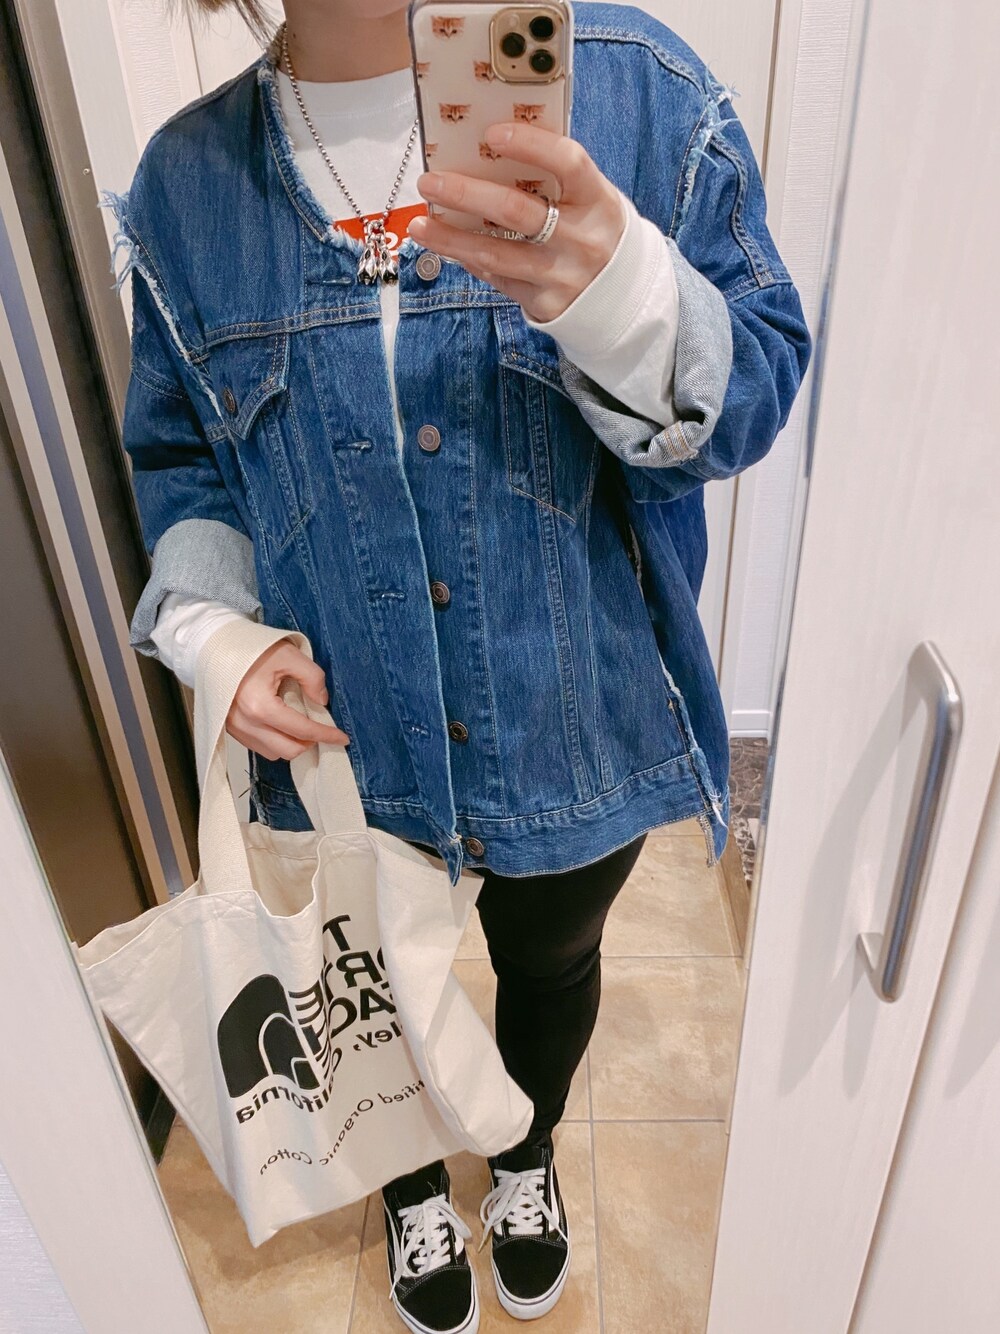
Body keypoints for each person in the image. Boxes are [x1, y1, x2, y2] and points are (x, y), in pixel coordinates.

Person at [103, 1, 811, 1328]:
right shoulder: (190, 185)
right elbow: (185, 455)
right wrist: (212, 633)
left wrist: (624, 295)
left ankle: (525, 1148)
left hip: (571, 729)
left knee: (550, 967)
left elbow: (755, 391)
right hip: (344, 749)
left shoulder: (635, 95)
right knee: (376, 995)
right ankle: (411, 1176)